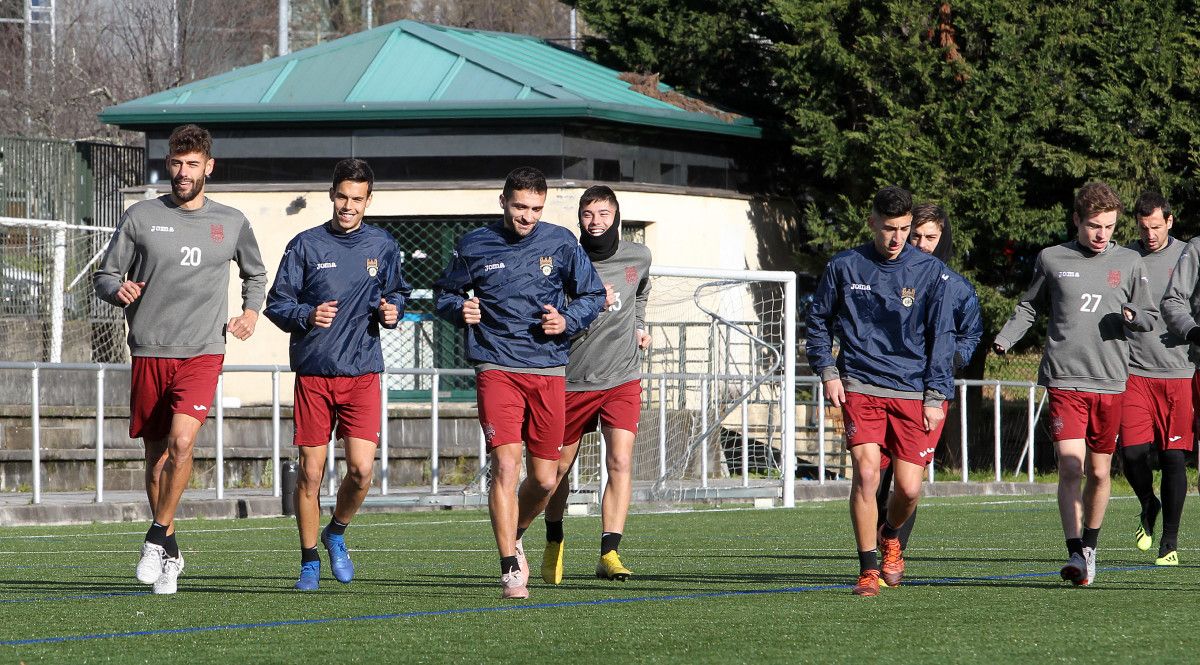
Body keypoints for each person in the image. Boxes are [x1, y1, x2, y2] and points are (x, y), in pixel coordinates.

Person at [94, 124, 267, 595]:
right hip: (150, 348)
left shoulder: (231, 222)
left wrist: (251, 313)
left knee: (182, 443)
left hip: (203, 351)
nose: (182, 171)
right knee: (155, 461)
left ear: (209, 167)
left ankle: (153, 538)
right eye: (176, 162)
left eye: (192, 164)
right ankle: (171, 551)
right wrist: (118, 289)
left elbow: (255, 274)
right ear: (167, 163)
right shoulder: (140, 217)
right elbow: (106, 275)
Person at [433, 167, 606, 599]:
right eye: (520, 207)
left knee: (546, 479)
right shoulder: (474, 244)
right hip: (495, 366)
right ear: (503, 202)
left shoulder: (562, 242)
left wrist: (567, 320)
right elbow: (443, 294)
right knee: (507, 465)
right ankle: (509, 566)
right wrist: (460, 309)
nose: (527, 216)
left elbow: (593, 295)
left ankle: (517, 533)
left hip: (547, 369)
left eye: (535, 208)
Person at [994, 182, 1157, 586]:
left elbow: (1151, 317)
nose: (1102, 235)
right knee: (1071, 467)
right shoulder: (1052, 258)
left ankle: (1090, 548)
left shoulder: (1131, 262)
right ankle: (1073, 553)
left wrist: (1135, 317)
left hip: (1110, 381)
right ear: (1077, 221)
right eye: (1094, 226)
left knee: (1100, 474)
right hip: (1064, 378)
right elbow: (1030, 305)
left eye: (1109, 226)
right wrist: (1005, 337)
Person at [264, 159, 411, 590]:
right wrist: (308, 315)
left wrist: (393, 310)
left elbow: (398, 292)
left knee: (362, 471)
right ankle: (309, 561)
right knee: (310, 474)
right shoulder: (305, 245)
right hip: (314, 375)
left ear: (369, 200)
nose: (348, 206)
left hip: (362, 373)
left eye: (357, 199)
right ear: (332, 195)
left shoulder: (383, 245)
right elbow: (278, 304)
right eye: (342, 197)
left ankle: (336, 532)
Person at [805, 186, 955, 597]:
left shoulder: (929, 272)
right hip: (860, 383)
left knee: (907, 489)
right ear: (872, 222)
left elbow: (942, 336)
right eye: (889, 229)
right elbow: (817, 321)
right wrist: (828, 371)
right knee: (868, 473)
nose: (897, 239)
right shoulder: (845, 266)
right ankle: (867, 569)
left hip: (912, 389)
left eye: (905, 229)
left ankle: (891, 535)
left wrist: (935, 395)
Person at [509, 185, 652, 585]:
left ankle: (610, 551)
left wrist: (640, 327)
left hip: (622, 377)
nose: (596, 222)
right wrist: (583, 307)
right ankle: (553, 539)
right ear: (580, 219)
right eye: (589, 214)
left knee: (620, 461)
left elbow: (641, 292)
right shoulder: (565, 256)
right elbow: (547, 308)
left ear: (617, 216)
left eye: (603, 214)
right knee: (553, 474)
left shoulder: (638, 257)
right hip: (571, 379)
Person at [876, 203, 982, 554]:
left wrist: (950, 361)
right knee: (874, 475)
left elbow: (971, 335)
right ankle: (871, 550)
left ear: (943, 237)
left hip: (928, 395)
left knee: (909, 481)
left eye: (931, 237)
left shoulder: (957, 287)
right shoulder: (886, 278)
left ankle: (895, 550)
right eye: (916, 235)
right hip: (885, 385)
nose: (922, 243)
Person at [1134, 192, 1194, 565]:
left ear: (1170, 222)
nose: (1150, 234)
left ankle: (1169, 544)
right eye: (1144, 228)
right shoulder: (1125, 257)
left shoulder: (1189, 255)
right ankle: (1147, 503)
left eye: (1156, 227)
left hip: (1181, 370)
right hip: (1134, 370)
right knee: (1132, 453)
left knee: (1174, 459)